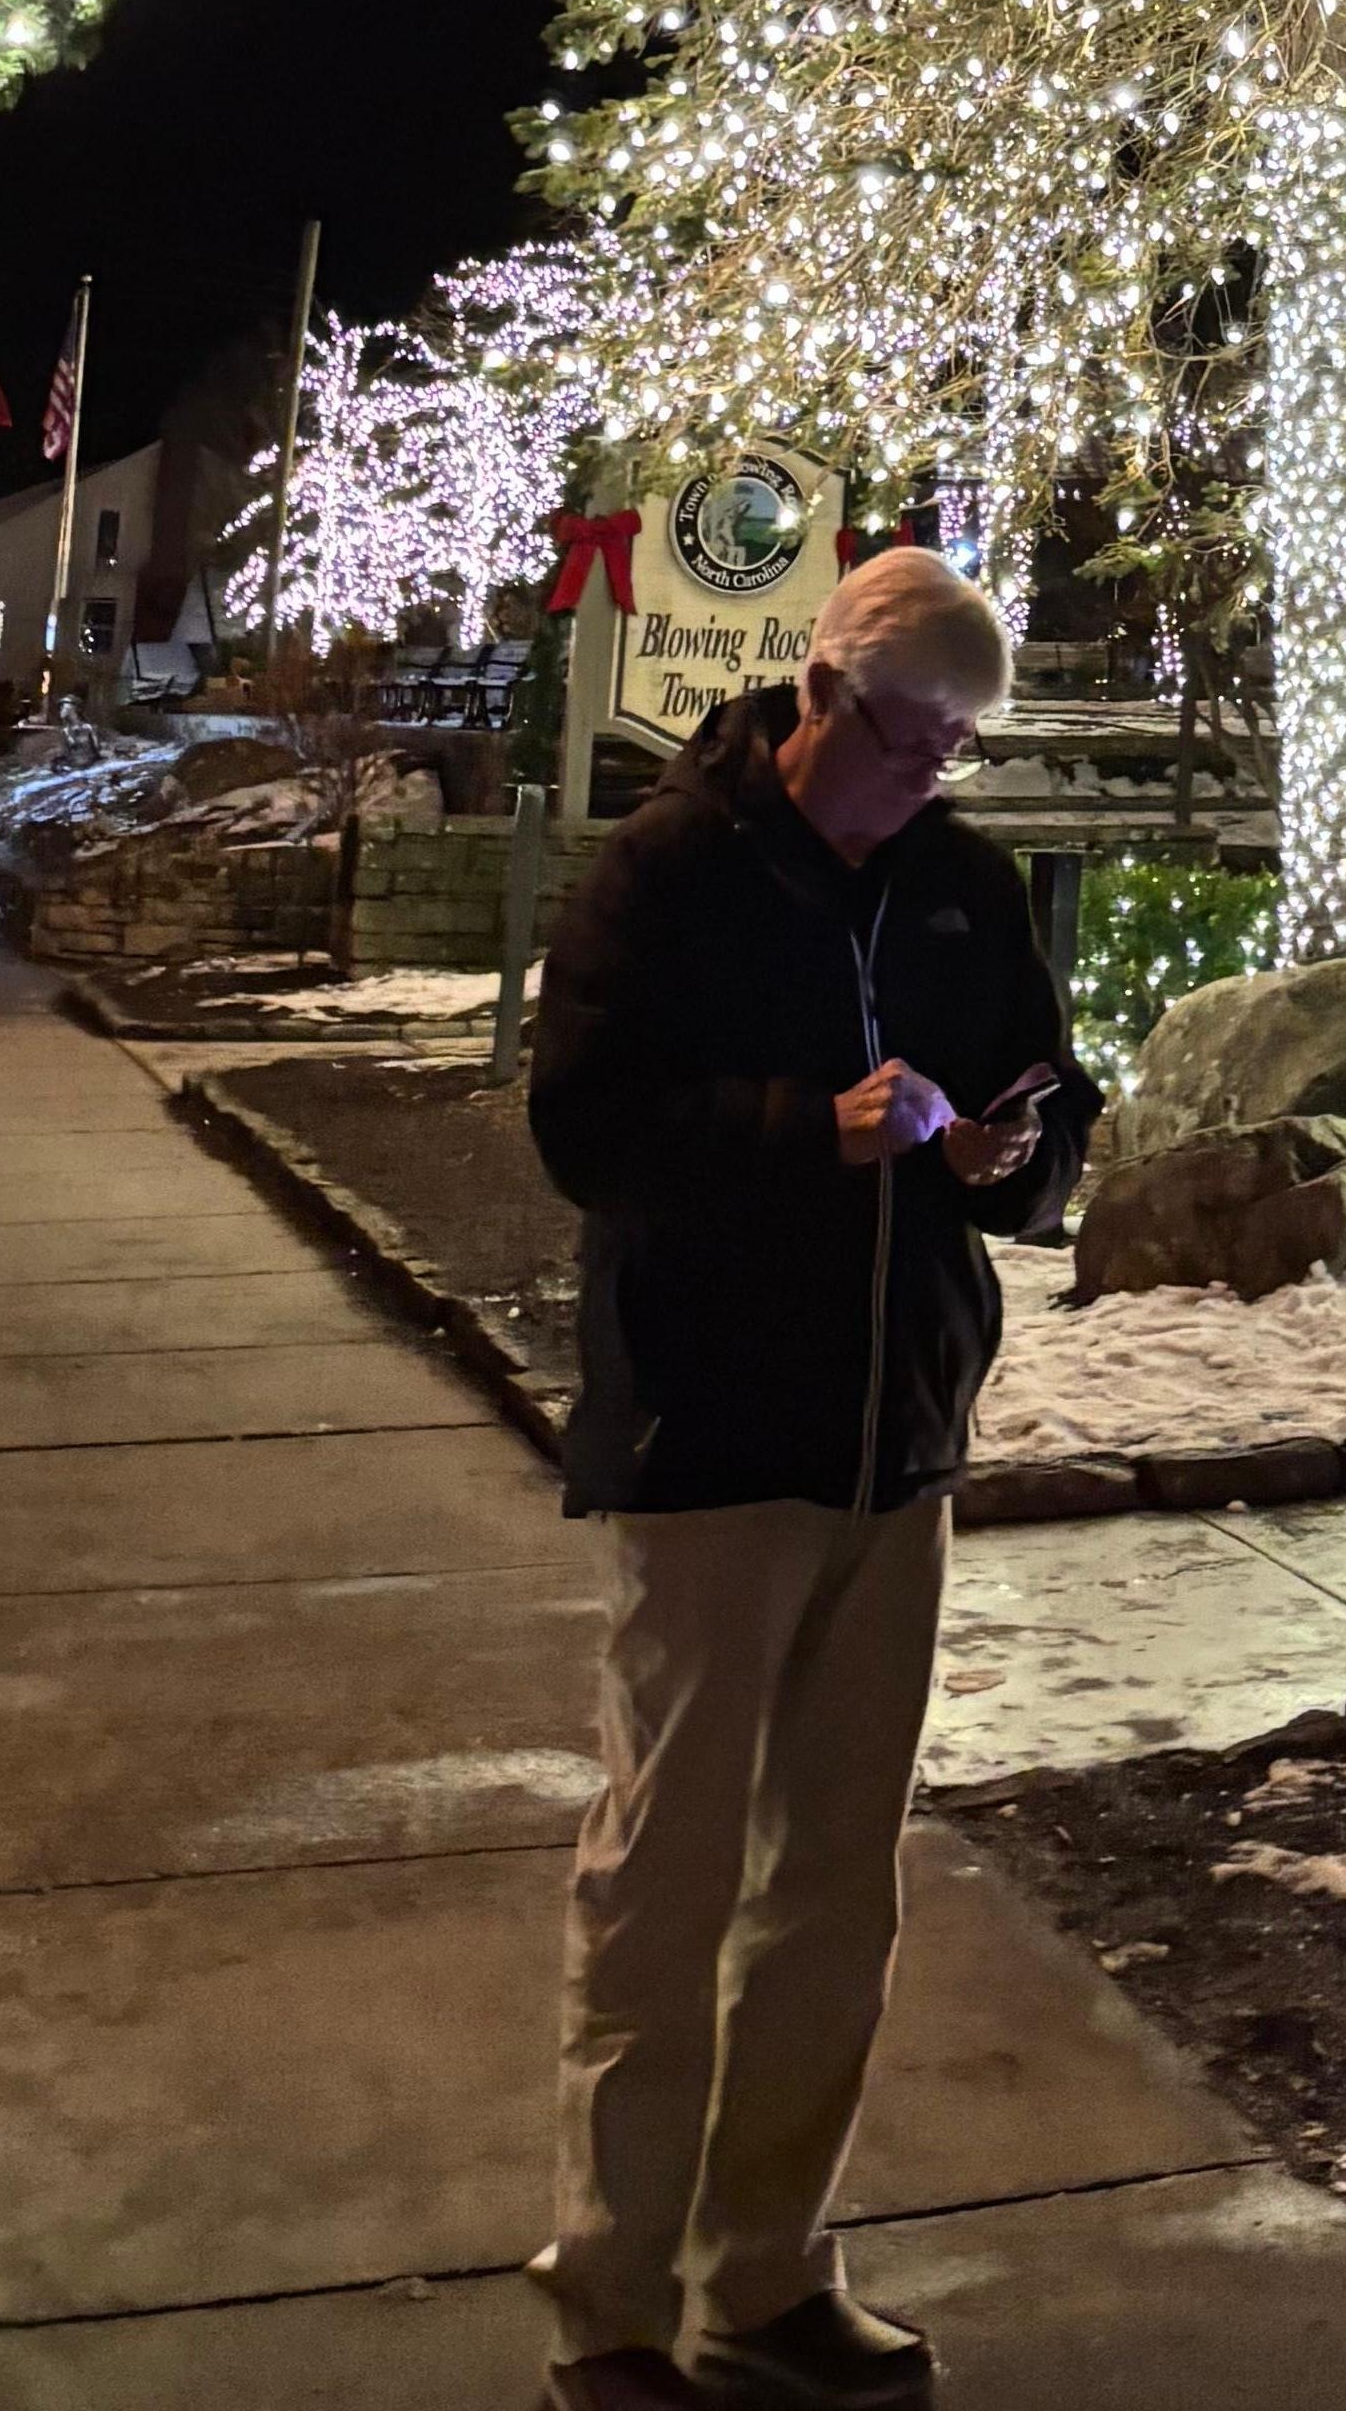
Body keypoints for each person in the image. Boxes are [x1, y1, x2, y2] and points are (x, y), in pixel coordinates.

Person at [528, 542, 1090, 2411]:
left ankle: (761, 2278)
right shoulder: (672, 869)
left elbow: (1046, 1092)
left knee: (835, 1895)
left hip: (890, 1447)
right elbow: (585, 1127)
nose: (932, 773)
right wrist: (812, 1129)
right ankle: (609, 2307)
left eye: (960, 749)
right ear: (822, 695)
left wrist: (1019, 1155)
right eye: (913, 735)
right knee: (664, 1886)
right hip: (711, 1443)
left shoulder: (957, 887)